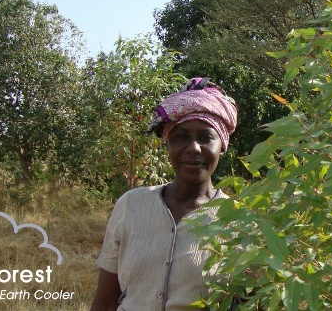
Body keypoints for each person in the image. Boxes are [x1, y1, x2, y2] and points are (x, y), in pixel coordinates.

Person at [91, 77, 238, 311]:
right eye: (181, 137)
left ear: (222, 145)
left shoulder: (238, 220)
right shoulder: (131, 205)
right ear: (167, 143)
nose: (193, 148)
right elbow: (105, 301)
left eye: (206, 137)